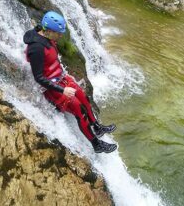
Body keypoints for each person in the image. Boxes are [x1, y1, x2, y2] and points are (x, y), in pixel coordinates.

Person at [23, 10, 117, 153]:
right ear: (48, 31)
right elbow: (39, 78)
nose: (61, 35)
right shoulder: (36, 48)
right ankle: (96, 144)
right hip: (52, 89)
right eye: (58, 33)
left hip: (60, 78)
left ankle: (97, 127)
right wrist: (63, 90)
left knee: (84, 99)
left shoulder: (46, 35)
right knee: (80, 111)